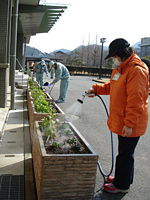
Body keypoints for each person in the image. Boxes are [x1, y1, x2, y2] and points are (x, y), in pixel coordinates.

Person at [88, 38, 149, 193]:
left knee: (126, 154)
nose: (113, 60)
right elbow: (112, 86)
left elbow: (136, 100)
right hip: (124, 120)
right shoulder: (121, 68)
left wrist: (129, 124)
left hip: (131, 121)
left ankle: (122, 186)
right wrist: (96, 89)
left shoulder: (136, 70)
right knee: (124, 152)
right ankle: (123, 179)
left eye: (114, 57)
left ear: (120, 54)